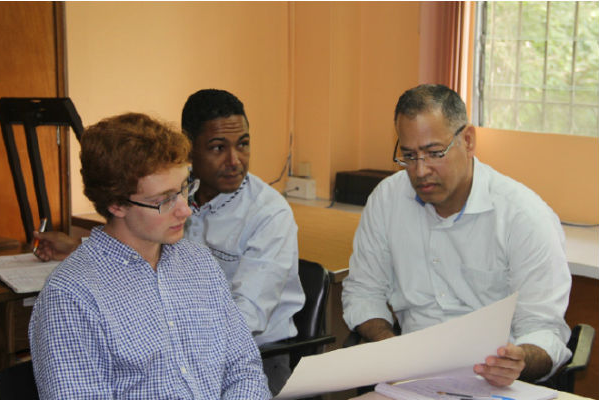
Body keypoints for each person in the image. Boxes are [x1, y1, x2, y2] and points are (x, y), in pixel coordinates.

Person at [33, 89, 304, 395]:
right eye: (164, 200)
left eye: (184, 189)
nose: (186, 209)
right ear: (116, 205)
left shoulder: (199, 264)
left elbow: (243, 368)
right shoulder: (70, 298)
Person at [342, 84, 572, 387]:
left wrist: (519, 359)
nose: (420, 171)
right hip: (410, 380)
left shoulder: (523, 217)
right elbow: (363, 293)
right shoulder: (388, 200)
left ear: (468, 140)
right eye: (409, 156)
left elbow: (545, 329)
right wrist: (390, 347)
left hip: (495, 384)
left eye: (434, 153)